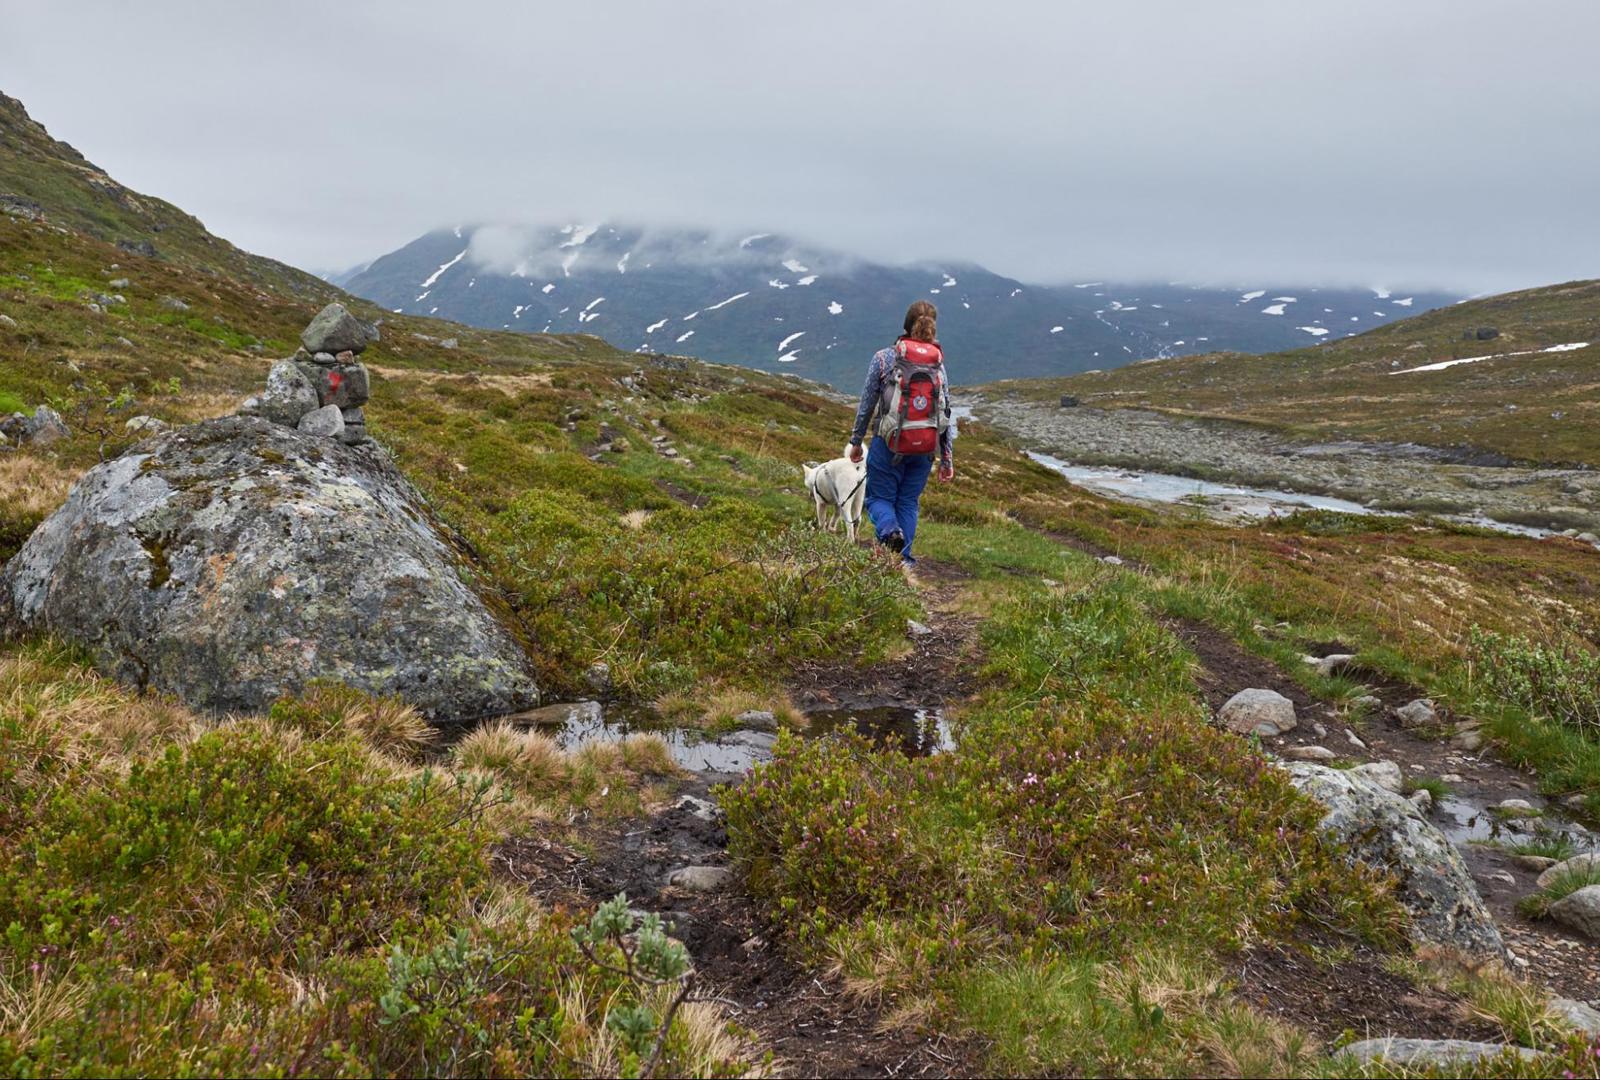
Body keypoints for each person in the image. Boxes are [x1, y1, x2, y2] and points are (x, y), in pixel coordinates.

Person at [848, 300, 954, 565]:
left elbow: (867, 405)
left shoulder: (884, 358)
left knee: (878, 498)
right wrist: (947, 458)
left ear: (906, 325)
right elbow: (945, 412)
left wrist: (856, 441)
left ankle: (889, 531)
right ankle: (902, 561)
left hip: (888, 444)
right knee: (907, 502)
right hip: (925, 448)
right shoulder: (938, 365)